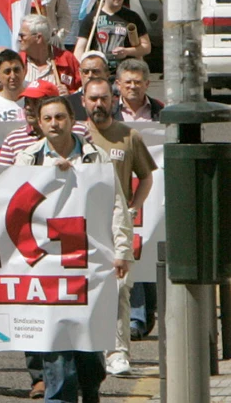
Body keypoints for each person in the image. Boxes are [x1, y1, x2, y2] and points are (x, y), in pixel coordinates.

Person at [15, 96, 132, 403]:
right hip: (46, 264)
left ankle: (91, 390)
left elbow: (116, 204)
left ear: (71, 120)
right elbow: (12, 209)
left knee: (90, 352)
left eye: (60, 117)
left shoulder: (96, 158)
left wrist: (122, 250)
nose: (55, 123)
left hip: (90, 261)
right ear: (39, 124)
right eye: (48, 118)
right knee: (56, 346)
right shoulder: (28, 159)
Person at [81, 78, 156, 377]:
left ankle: (119, 352)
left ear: (113, 100)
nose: (98, 104)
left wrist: (132, 208)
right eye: (92, 99)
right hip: (81, 225)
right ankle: (91, 349)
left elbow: (147, 177)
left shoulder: (129, 136)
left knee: (119, 289)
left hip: (115, 226)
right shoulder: (76, 136)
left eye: (103, 99)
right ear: (83, 101)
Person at [74, 0, 151, 64]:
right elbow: (79, 49)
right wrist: (83, 67)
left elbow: (146, 47)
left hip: (125, 71)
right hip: (100, 71)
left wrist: (127, 51)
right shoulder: (91, 17)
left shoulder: (133, 17)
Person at [20, 14, 81, 94]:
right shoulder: (18, 61)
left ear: (38, 38)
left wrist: (70, 94)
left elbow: (83, 91)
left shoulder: (67, 59)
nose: (19, 39)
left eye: (22, 36)